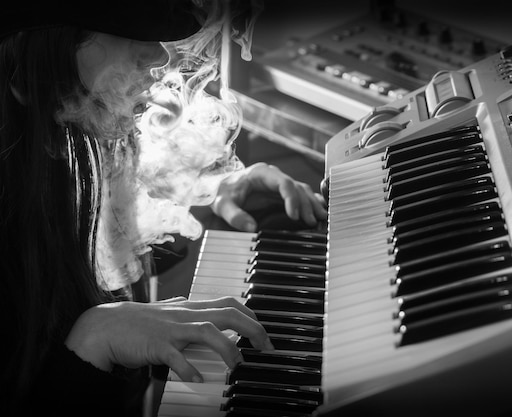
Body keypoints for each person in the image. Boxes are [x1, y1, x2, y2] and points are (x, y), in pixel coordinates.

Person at [0, 0, 327, 416]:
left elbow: (100, 269)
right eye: (123, 28)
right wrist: (92, 342)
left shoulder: (62, 150)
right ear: (34, 60)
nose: (160, 55)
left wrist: (207, 204)